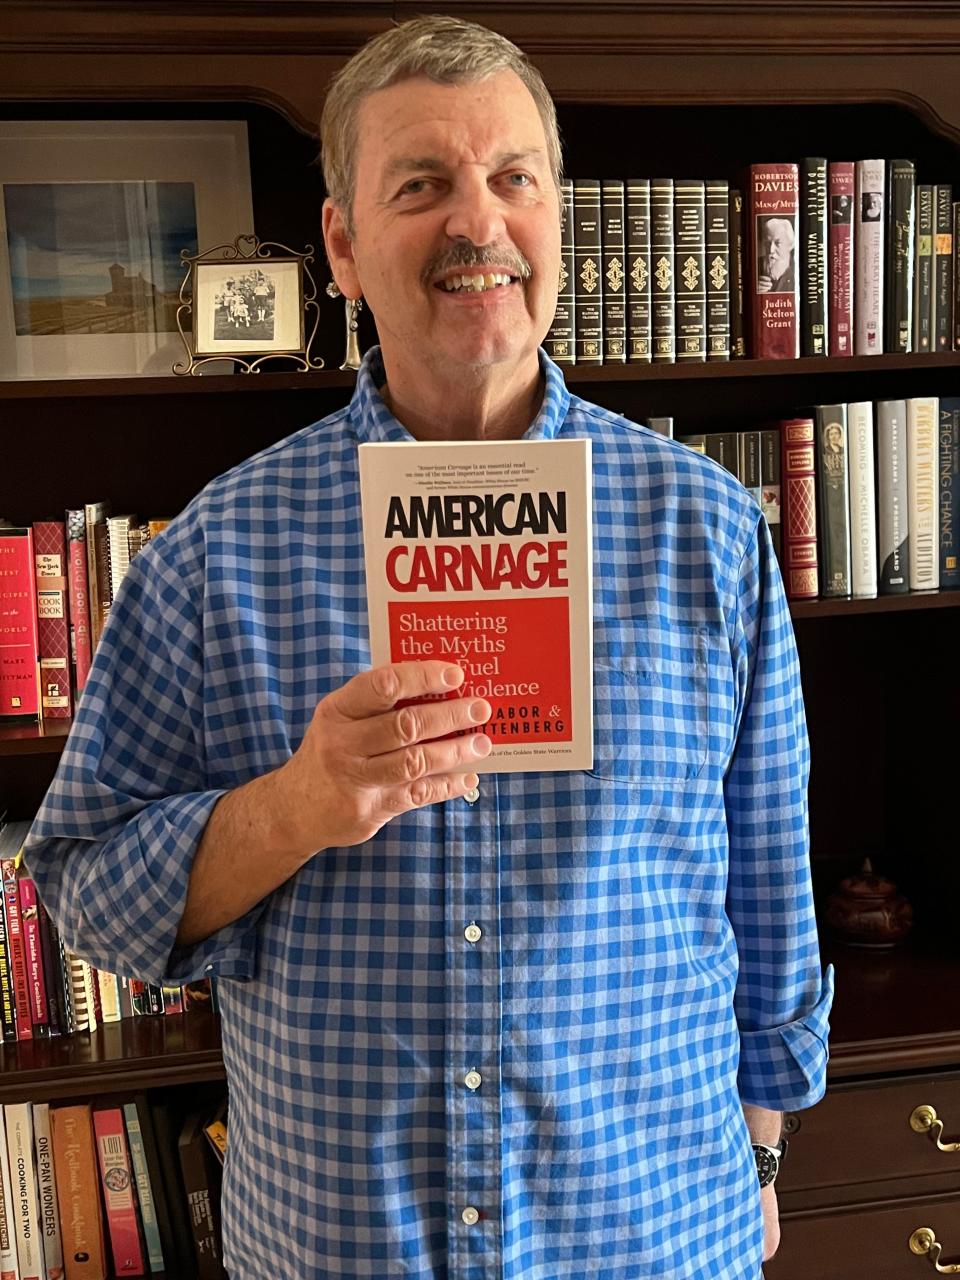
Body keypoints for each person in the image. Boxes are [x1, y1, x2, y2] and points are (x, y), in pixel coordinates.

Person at [24, 15, 832, 1280]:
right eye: (422, 186)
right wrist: (298, 803)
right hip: (339, 1247)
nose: (478, 222)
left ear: (555, 213)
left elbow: (771, 897)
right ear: (341, 243)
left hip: (656, 1238)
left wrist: (766, 1150)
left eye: (513, 177)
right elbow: (87, 894)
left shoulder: (709, 529)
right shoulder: (209, 552)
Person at [756, 215, 796, 293]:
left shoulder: (798, 270)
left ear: (790, 245)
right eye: (767, 243)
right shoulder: (754, 266)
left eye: (778, 243)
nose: (771, 250)